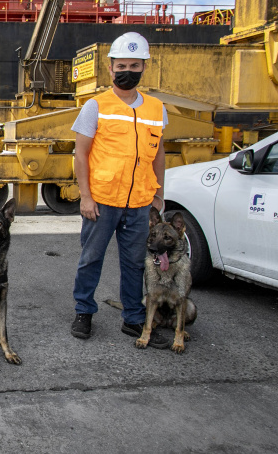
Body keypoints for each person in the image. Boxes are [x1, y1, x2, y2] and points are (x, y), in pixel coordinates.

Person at [69, 31, 171, 348]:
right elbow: (81, 154)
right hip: (102, 201)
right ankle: (84, 311)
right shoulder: (95, 106)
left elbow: (158, 154)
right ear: (110, 68)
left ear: (144, 68)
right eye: (121, 65)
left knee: (135, 264)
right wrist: (85, 196)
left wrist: (158, 194)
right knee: (91, 259)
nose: (128, 71)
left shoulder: (156, 108)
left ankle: (134, 320)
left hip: (140, 204)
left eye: (135, 65)